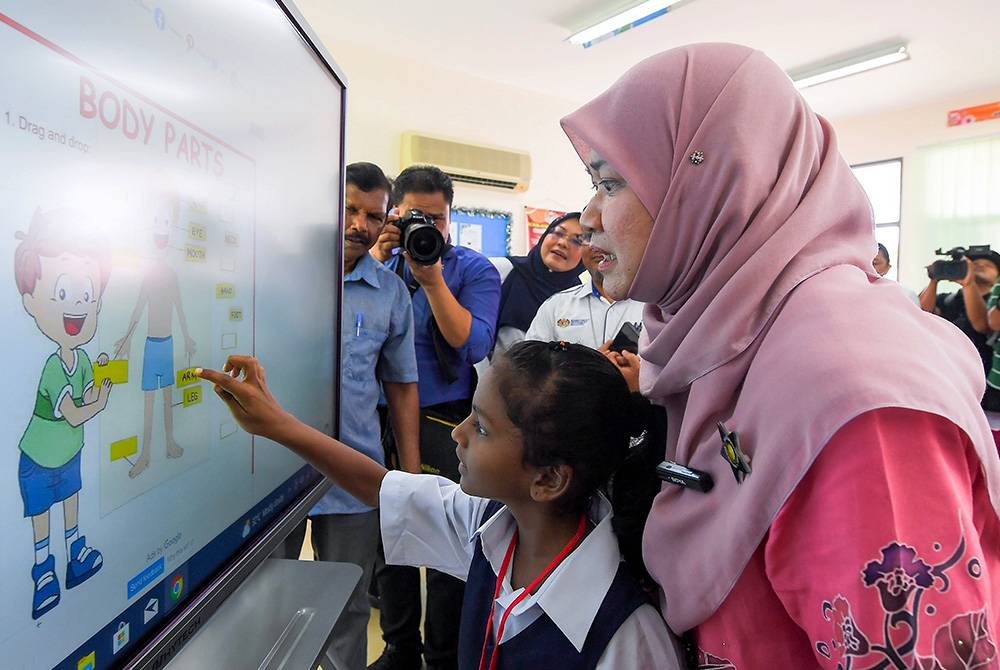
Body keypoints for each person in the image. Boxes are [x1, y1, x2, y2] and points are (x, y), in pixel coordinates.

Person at [561, 43, 1000, 667]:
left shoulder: (850, 392)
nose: (589, 218)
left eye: (610, 183)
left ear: (711, 183)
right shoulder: (727, 339)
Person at [197, 344, 682, 669]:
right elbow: (381, 486)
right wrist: (277, 424)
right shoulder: (490, 526)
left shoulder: (626, 638)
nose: (458, 433)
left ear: (549, 478)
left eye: (483, 428)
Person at [271, 162, 420, 670]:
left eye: (374, 216)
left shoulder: (391, 292)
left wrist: (411, 474)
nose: (360, 224)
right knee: (266, 601)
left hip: (355, 474)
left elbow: (401, 385)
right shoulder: (275, 273)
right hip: (274, 471)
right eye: (350, 209)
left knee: (347, 605)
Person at [370, 165, 501, 670]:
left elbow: (470, 343)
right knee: (391, 538)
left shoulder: (473, 269)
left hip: (448, 423)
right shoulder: (381, 262)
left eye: (439, 218)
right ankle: (399, 649)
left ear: (452, 216)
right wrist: (381, 255)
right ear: (396, 214)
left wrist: (432, 280)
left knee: (450, 540)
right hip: (381, 415)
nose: (431, 228)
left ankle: (443, 656)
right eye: (416, 216)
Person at [15, 208, 114, 620]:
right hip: (38, 459)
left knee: (71, 499)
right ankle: (43, 571)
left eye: (89, 297)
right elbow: (74, 413)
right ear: (31, 302)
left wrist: (102, 381)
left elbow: (87, 390)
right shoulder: (53, 367)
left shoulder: (84, 359)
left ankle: (75, 554)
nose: (78, 305)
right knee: (42, 516)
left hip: (68, 453)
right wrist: (100, 403)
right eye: (62, 294)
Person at [115, 188, 197, 478]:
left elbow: (180, 308)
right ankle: (145, 454)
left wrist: (187, 337)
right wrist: (126, 339)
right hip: (152, 345)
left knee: (166, 398)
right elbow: (138, 308)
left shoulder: (171, 275)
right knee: (150, 402)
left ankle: (170, 443)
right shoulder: (148, 274)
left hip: (168, 344)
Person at [487, 212, 585, 363]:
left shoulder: (579, 300)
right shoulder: (502, 272)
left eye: (577, 241)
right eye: (558, 233)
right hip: (490, 381)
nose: (563, 243)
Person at [919, 247, 1000, 411]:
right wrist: (934, 280)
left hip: (986, 387)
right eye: (974, 265)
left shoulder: (994, 304)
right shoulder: (949, 300)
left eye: (987, 265)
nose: (978, 267)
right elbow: (920, 314)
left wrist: (969, 284)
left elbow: (983, 324)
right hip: (950, 382)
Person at [525, 241, 643, 351]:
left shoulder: (654, 305)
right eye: (588, 236)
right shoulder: (556, 306)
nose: (597, 245)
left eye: (607, 235)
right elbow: (529, 364)